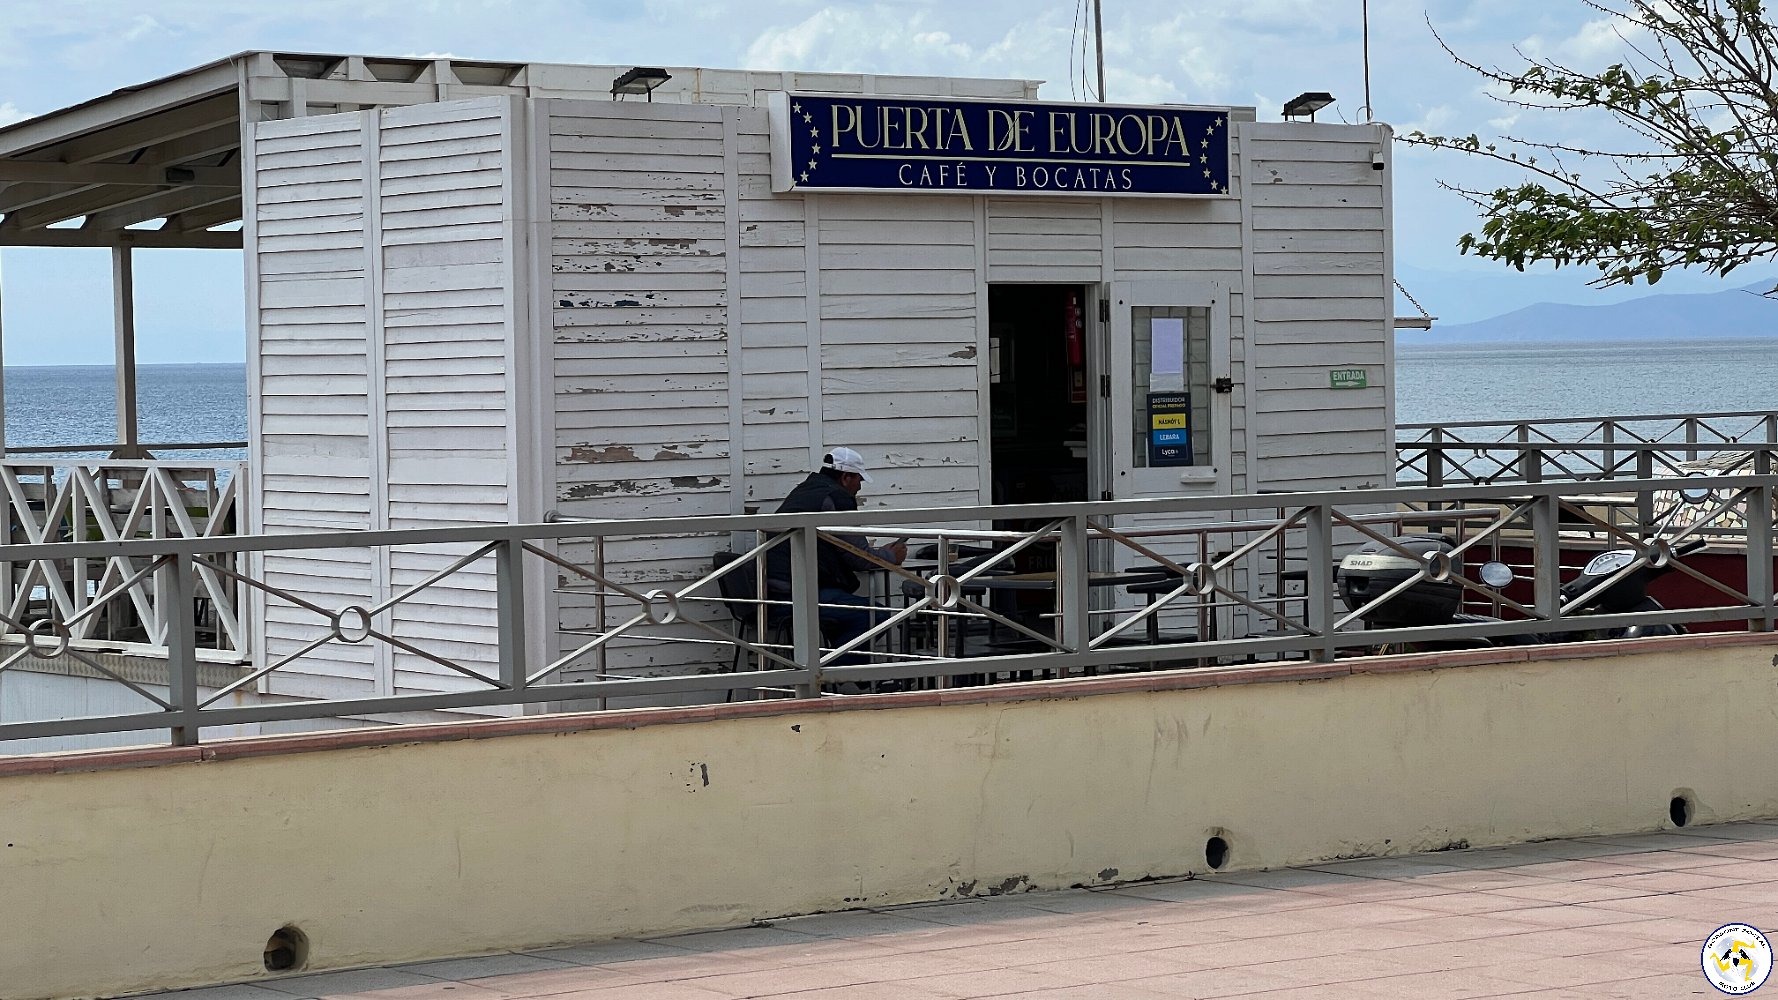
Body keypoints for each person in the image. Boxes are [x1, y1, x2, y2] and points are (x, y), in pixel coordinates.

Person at [765, 448, 907, 664]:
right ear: (846, 477)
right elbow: (858, 557)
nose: (859, 487)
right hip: (795, 595)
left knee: (851, 616)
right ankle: (829, 672)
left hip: (776, 590)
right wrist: (890, 556)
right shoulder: (836, 498)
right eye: (858, 479)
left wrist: (880, 553)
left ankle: (835, 670)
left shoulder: (807, 490)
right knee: (876, 616)